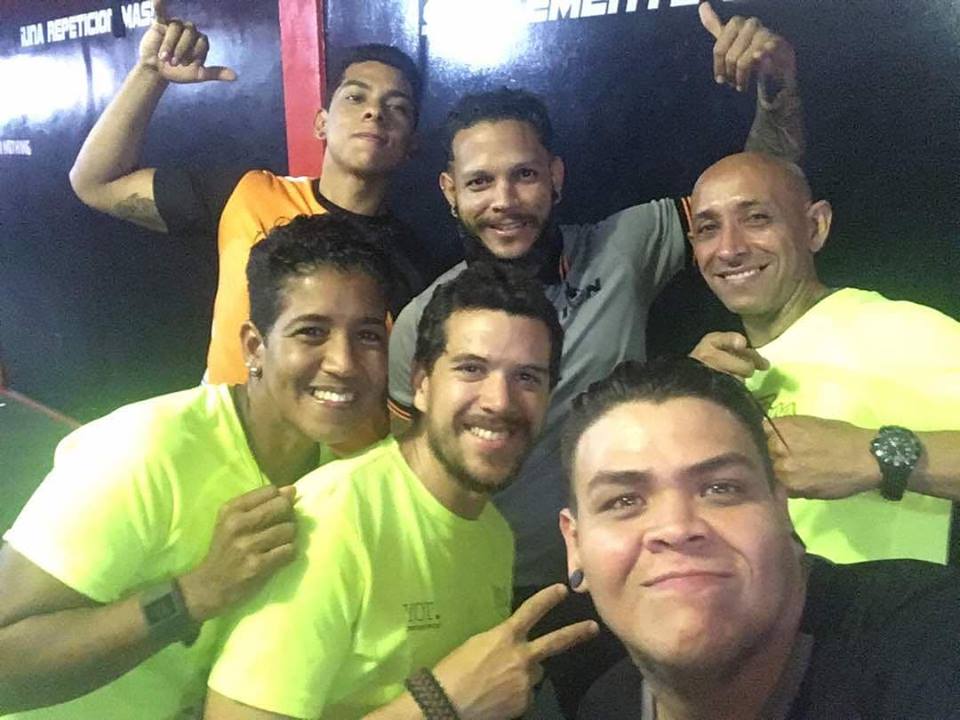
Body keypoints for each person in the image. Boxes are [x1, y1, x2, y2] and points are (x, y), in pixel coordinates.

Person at [387, 4, 805, 712]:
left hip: (623, 571)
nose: (504, 200)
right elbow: (406, 473)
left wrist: (776, 93)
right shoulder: (421, 322)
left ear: (555, 176)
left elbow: (756, 198)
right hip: (478, 596)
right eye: (480, 182)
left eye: (524, 175)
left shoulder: (625, 244)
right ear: (450, 192)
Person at [0, 214, 395, 718]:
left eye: (367, 336)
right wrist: (192, 594)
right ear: (254, 347)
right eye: (312, 332)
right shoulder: (144, 450)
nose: (344, 362)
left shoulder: (331, 473)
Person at [202, 262, 597, 719]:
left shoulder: (494, 535)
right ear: (421, 385)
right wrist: (441, 705)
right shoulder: (334, 520)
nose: (499, 401)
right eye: (471, 369)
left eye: (527, 377)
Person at [560, 357, 960, 719]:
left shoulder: (926, 635)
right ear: (575, 545)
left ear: (781, 509)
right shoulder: (607, 705)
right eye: (624, 501)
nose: (676, 528)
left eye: (720, 489)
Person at [69, 0, 425, 397]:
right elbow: (97, 182)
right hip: (223, 424)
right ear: (321, 123)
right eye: (356, 97)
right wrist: (149, 73)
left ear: (412, 143)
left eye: (397, 107)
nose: (375, 112)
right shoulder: (247, 194)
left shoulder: (415, 264)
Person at [688, 151, 960, 564]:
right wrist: (685, 398)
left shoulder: (896, 331)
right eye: (709, 228)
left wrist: (870, 455)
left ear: (815, 227)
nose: (729, 248)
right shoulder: (712, 374)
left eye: (757, 218)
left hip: (881, 605)